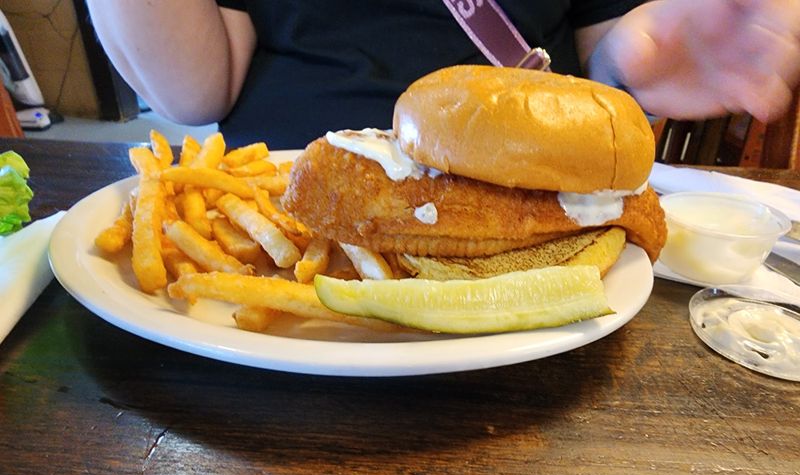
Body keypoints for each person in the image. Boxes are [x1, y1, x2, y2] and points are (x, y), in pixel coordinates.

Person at [86, 0, 800, 150]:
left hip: (528, 226)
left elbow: (607, 49)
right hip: (280, 209)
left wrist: (637, 60)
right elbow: (193, 90)